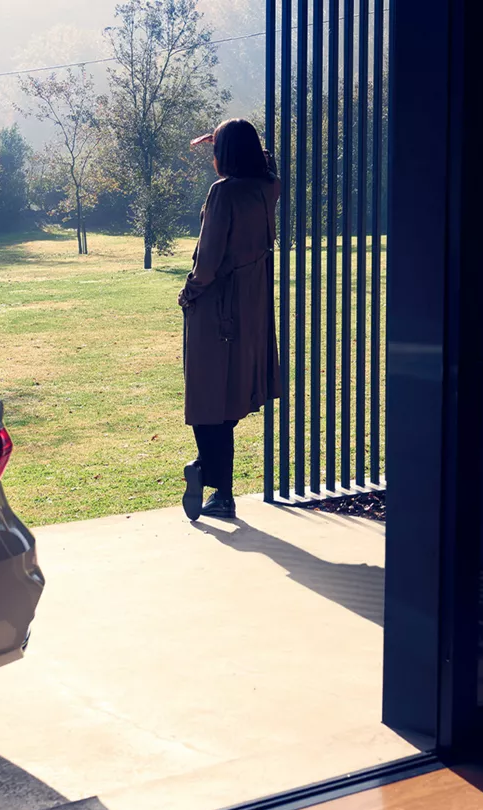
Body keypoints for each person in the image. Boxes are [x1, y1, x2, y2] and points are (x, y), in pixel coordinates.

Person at [179, 118, 281, 521]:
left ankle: (213, 476)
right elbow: (269, 167)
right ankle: (219, 487)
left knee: (206, 395)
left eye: (216, 149)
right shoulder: (267, 187)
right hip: (252, 307)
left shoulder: (223, 194)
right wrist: (239, 143)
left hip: (216, 305)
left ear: (225, 155)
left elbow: (206, 264)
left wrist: (187, 294)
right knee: (232, 393)